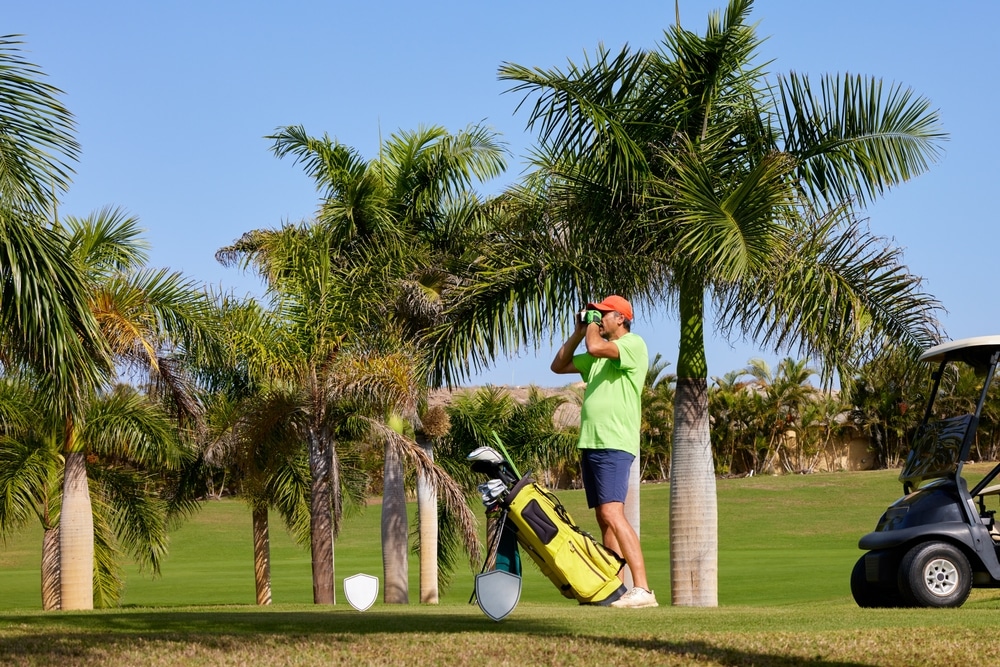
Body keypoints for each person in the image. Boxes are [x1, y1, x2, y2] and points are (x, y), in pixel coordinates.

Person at [550, 294, 657, 609]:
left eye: (603, 315)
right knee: (604, 519)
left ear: (620, 319)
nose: (598, 319)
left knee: (613, 513)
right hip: (592, 443)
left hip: (614, 442)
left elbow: (596, 346)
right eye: (595, 315)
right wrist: (577, 331)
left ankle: (643, 589)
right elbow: (558, 365)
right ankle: (614, 588)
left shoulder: (632, 345)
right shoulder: (597, 360)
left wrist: (590, 329)